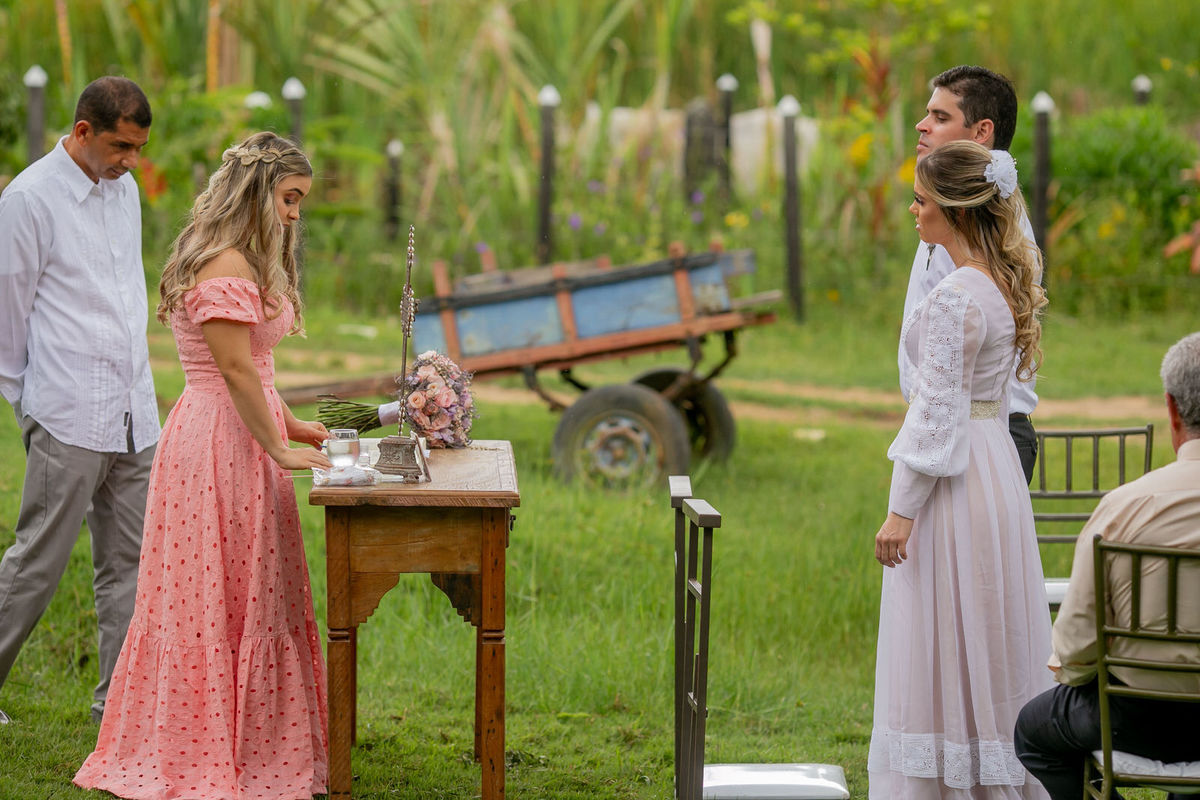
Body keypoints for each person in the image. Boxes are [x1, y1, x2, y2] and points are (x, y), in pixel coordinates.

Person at [74, 132, 332, 799]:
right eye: (289, 198)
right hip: (219, 445)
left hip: (242, 428)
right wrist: (274, 444)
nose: (296, 213)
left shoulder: (241, 261)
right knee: (211, 601)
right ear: (256, 192)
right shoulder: (223, 267)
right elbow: (235, 367)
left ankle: (253, 742)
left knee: (251, 594)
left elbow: (257, 371)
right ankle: (200, 749)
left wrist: (290, 422)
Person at [870, 140, 1053, 799]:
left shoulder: (954, 297)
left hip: (954, 481)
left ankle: (948, 785)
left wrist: (901, 509)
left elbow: (936, 413)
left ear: (952, 208)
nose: (913, 210)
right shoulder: (1000, 283)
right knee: (985, 625)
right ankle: (985, 771)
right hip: (994, 466)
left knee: (943, 631)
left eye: (921, 199)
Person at [0, 76, 158, 724]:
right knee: (38, 564)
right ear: (84, 131)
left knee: (131, 567)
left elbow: (125, 291)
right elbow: (9, 302)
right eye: (121, 146)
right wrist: (23, 402)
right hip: (65, 410)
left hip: (134, 413)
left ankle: (116, 711)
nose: (130, 161)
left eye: (138, 149)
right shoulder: (29, 197)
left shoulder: (126, 194)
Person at [1014, 331, 1200, 800]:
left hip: (1132, 717)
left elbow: (1076, 646)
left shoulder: (1124, 508)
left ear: (1172, 410)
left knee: (1033, 733)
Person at [902, 65, 1041, 484]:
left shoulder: (979, 226)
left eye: (941, 118)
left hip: (973, 430)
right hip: (953, 424)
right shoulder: (955, 211)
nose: (921, 126)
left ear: (982, 131)